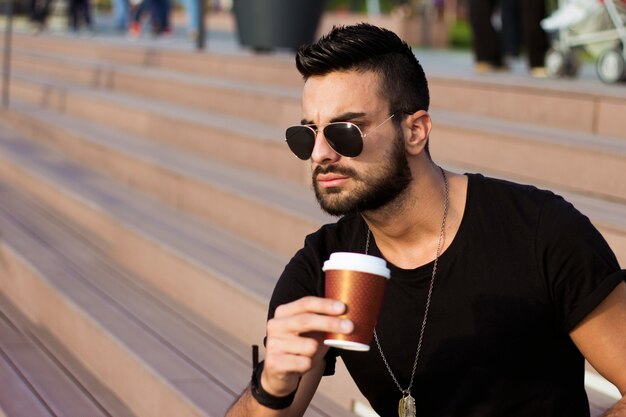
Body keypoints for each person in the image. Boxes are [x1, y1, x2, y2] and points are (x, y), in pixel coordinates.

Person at [225, 23, 626, 417]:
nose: (320, 154)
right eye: (307, 134)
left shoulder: (539, 232)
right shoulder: (324, 266)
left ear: (415, 131)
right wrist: (272, 385)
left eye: (346, 131)